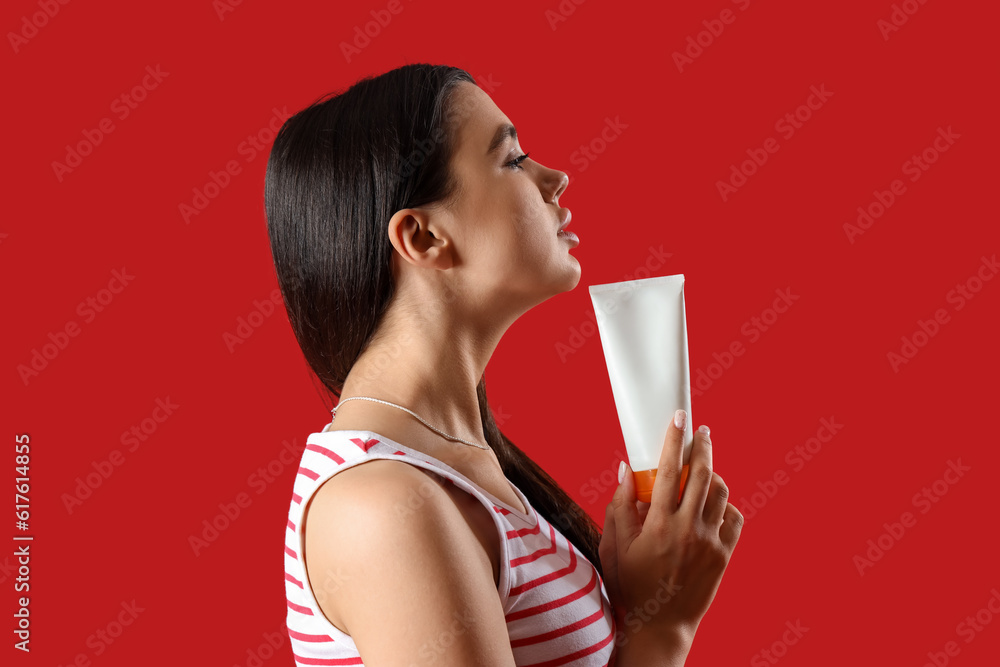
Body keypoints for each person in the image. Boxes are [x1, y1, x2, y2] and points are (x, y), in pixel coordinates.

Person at [265, 63, 743, 666]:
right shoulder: (382, 506)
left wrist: (633, 605)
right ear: (423, 237)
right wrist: (662, 628)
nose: (557, 178)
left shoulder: (467, 463)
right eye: (513, 160)